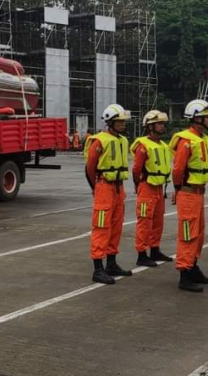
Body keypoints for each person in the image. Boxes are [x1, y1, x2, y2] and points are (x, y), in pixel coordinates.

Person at [171, 99, 208, 292]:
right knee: (188, 235)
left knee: (198, 234)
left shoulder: (203, 139)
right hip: (189, 193)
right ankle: (184, 273)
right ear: (197, 118)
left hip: (199, 193)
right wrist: (177, 189)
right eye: (206, 117)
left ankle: (193, 266)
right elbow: (178, 168)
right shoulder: (186, 140)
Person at [84, 104, 133, 284]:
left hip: (119, 188)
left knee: (116, 226)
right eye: (119, 121)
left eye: (123, 121)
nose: (123, 124)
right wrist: (95, 187)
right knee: (101, 226)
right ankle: (98, 269)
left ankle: (111, 263)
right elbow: (90, 167)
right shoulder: (99, 141)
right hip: (104, 186)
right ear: (110, 122)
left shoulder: (123, 140)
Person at [131, 110, 174, 268]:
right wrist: (139, 185)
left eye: (163, 124)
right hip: (147, 187)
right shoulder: (143, 145)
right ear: (150, 126)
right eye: (159, 124)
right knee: (144, 221)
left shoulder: (163, 145)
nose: (163, 126)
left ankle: (155, 249)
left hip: (159, 188)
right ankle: (141, 254)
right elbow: (136, 169)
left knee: (158, 221)